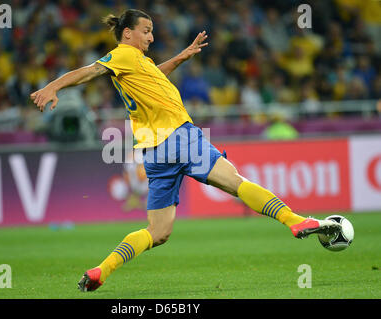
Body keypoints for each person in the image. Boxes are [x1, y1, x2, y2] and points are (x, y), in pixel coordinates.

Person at [30, 9, 341, 292]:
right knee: (234, 182)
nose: (151, 36)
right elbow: (88, 71)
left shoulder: (139, 63)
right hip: (179, 136)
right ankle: (294, 220)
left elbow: (155, 77)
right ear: (127, 33)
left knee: (158, 231)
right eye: (146, 30)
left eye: (152, 31)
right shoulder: (122, 55)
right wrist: (52, 87)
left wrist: (181, 57)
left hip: (154, 152)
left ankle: (102, 269)